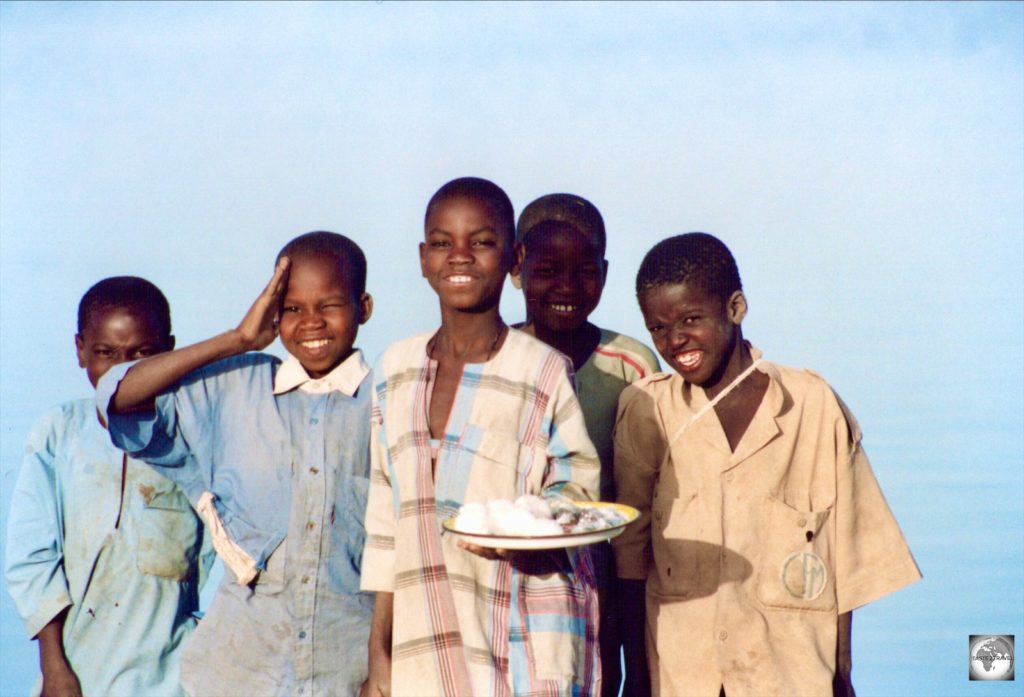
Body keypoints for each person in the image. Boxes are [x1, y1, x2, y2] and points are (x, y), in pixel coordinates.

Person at [612, 232, 922, 697]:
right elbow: (630, 560)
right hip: (680, 676)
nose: (676, 340)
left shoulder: (813, 408)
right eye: (658, 328)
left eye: (691, 319)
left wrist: (843, 677)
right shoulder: (647, 410)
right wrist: (635, 679)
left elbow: (847, 561)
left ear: (735, 309)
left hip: (789, 677)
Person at [95, 232, 375, 697]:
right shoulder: (234, 387)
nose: (311, 323)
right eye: (292, 309)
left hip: (348, 670)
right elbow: (116, 398)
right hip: (239, 671)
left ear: (363, 308)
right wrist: (238, 339)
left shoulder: (385, 406)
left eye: (329, 306)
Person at [360, 178, 603, 697]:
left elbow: (578, 489)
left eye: (482, 241)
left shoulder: (542, 371)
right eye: (443, 243)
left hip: (523, 641)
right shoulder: (395, 371)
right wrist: (378, 648)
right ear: (424, 258)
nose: (460, 256)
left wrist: (527, 529)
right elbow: (386, 521)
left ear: (513, 257)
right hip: (422, 646)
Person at [5, 276, 212, 697]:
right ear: (80, 350)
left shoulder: (195, 436)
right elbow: (32, 557)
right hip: (77, 675)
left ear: (169, 350)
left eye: (143, 354)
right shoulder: (59, 432)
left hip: (174, 678)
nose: (123, 370)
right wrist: (53, 666)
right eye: (105, 353)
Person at [513, 193, 660, 697]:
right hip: (517, 571)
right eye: (549, 270)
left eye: (585, 271)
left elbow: (648, 494)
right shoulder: (498, 361)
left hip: (614, 576)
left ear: (605, 270)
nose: (567, 288)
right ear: (516, 268)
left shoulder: (631, 364)